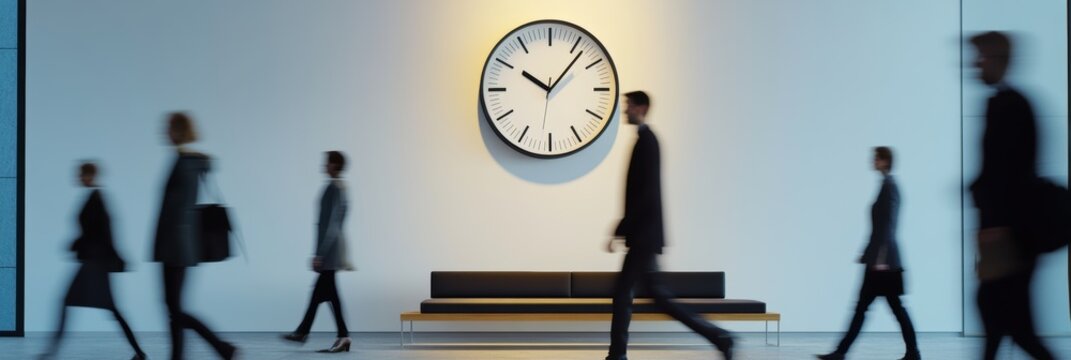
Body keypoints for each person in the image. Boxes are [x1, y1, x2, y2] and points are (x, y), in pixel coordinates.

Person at [605, 91, 733, 360]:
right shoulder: (645, 140)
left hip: (644, 235)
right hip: (644, 234)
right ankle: (718, 337)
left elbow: (645, 193)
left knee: (623, 292)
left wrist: (621, 228)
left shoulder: (648, 141)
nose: (624, 110)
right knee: (659, 297)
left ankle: (617, 355)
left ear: (640, 108)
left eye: (628, 105)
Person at [968, 31, 1054, 360]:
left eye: (981, 57)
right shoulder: (1009, 103)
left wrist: (996, 225)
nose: (975, 64)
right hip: (1006, 233)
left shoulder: (1010, 106)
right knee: (1000, 322)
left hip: (1007, 237)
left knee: (1011, 324)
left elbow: (1009, 174)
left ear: (997, 60)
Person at [817, 147, 920, 360]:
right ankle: (842, 352)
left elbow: (888, 225)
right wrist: (867, 253)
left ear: (884, 161)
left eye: (876, 158)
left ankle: (841, 352)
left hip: (883, 264)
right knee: (878, 309)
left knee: (881, 309)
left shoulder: (890, 187)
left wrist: (879, 258)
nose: (872, 161)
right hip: (879, 261)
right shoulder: (886, 185)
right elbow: (879, 227)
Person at [39, 162, 147, 360]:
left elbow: (104, 232)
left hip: (95, 263)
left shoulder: (97, 199)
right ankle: (139, 353)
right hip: (94, 262)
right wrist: (76, 243)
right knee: (110, 309)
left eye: (81, 174)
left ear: (90, 175)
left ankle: (50, 352)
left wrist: (85, 246)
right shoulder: (94, 198)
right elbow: (94, 231)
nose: (78, 178)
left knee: (83, 305)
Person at [153, 112, 237, 360]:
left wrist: (170, 247)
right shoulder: (183, 160)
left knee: (174, 308)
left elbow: (180, 210)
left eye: (168, 127)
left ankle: (222, 347)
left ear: (178, 130)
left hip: (176, 247)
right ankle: (179, 356)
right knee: (173, 308)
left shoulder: (186, 163)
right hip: (175, 245)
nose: (164, 131)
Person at [281, 151, 354, 353]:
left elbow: (331, 225)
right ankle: (309, 332)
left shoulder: (335, 188)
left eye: (327, 162)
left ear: (335, 165)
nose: (324, 165)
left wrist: (320, 254)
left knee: (326, 293)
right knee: (324, 294)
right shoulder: (340, 187)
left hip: (330, 251)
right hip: (333, 249)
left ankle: (312, 333)